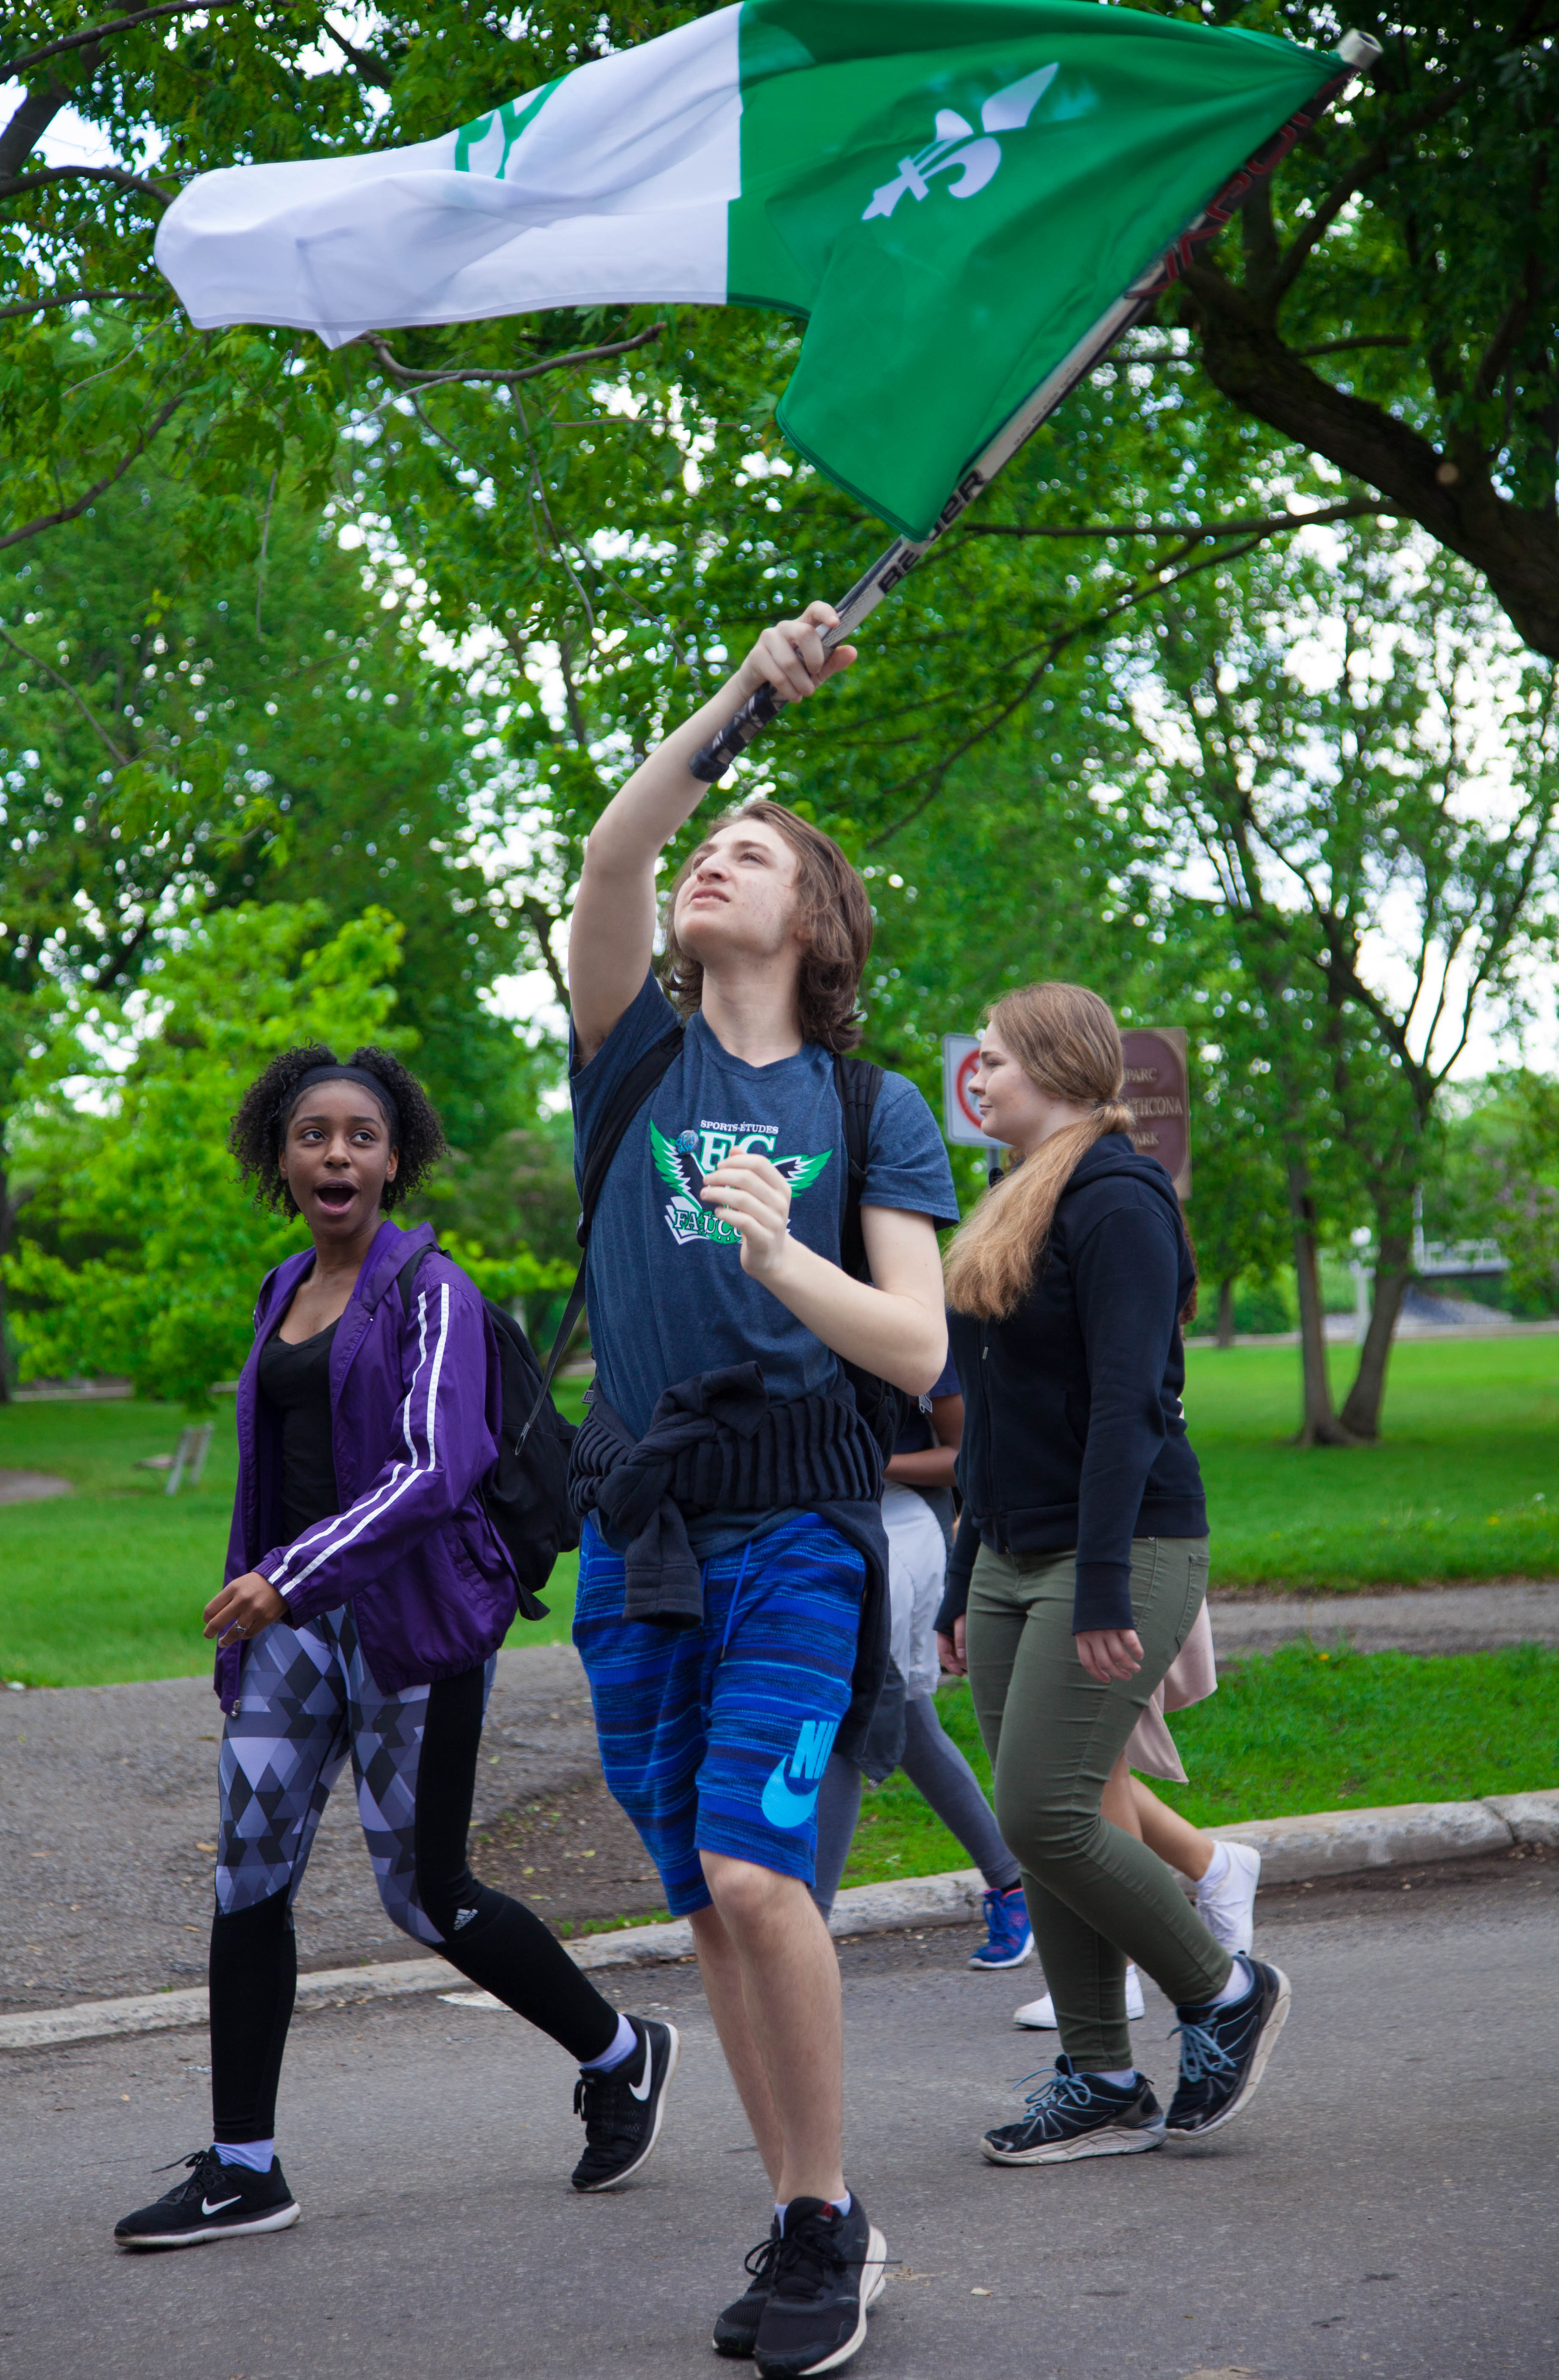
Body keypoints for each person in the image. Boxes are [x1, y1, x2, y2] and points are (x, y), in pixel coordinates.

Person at [566, 603, 956, 2375]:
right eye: (709, 847)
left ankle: (819, 2226)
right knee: (705, 1897)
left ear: (819, 921)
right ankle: (818, 2207)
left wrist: (786, 1258)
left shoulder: (872, 1106)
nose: (711, 861)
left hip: (803, 1525)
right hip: (640, 1533)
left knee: (754, 1858)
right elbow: (613, 853)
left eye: (754, 852)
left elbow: (917, 1346)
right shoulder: (632, 1056)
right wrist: (743, 696)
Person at [114, 1045, 676, 2252]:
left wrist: (289, 1576)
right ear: (279, 1156)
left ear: (395, 1159)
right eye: (312, 1134)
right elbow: (271, 1472)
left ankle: (620, 2052)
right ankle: (244, 2167)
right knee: (247, 1879)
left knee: (426, 1895)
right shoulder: (281, 1287)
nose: (336, 1154)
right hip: (290, 1632)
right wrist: (266, 1599)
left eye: (361, 1136)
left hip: (414, 1628)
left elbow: (433, 1470)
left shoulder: (434, 1291)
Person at [933, 984, 1291, 2167]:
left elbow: (1127, 1407)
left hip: (1123, 1547)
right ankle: (1098, 2076)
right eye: (977, 1059)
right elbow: (992, 1416)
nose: (977, 1075)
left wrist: (1096, 1588)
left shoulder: (1120, 1199)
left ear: (1055, 1065)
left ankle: (1222, 1992)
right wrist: (961, 1576)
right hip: (1009, 1551)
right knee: (1055, 1820)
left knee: (1041, 1808)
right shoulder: (1014, 1194)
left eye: (995, 1058)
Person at [811, 1359, 1031, 1969]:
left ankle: (806, 1928)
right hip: (819, 1521)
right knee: (903, 1718)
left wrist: (872, 1464)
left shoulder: (917, 1331)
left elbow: (965, 1456)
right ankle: (1014, 1885)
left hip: (901, 1518)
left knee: (854, 1712)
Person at [1007, 1606, 1261, 2028]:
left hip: (1094, 1584)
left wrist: (1102, 1597)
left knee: (1090, 1751)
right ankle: (1212, 1863)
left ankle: (1118, 1974)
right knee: (1054, 1762)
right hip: (1026, 1575)